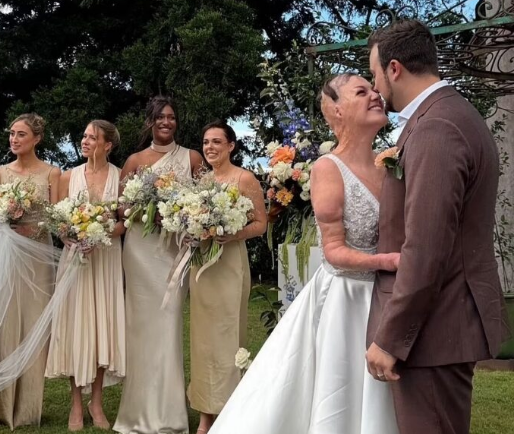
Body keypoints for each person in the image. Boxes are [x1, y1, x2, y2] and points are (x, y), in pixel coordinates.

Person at [208, 74, 400, 434]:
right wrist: (389, 262)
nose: (376, 95)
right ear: (337, 111)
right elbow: (335, 251)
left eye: (374, 89)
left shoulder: (388, 165)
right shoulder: (328, 168)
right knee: (339, 392)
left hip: (384, 297)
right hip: (345, 301)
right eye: (362, 92)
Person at [365, 19, 508, 434]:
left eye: (374, 74)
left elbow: (426, 248)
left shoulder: (436, 128)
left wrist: (392, 337)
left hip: (434, 329)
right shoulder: (449, 114)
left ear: (394, 69)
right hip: (443, 324)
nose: (375, 87)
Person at [114, 96, 203, 434]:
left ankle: (170, 414)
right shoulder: (135, 160)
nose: (167, 122)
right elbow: (120, 208)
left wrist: (180, 213)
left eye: (172, 117)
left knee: (168, 325)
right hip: (140, 251)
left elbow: (204, 200)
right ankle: (137, 411)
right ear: (150, 122)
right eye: (160, 117)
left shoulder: (192, 158)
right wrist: (144, 207)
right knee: (140, 328)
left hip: (173, 252)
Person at [0, 113, 61, 429]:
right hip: (6, 258)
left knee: (32, 326)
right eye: (12, 133)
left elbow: (56, 216)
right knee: (4, 326)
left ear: (37, 138)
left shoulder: (52, 173)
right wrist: (5, 220)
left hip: (38, 259)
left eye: (21, 134)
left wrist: (35, 227)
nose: (14, 139)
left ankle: (27, 410)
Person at [187, 120, 267, 434]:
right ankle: (205, 412)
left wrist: (234, 233)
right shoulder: (201, 181)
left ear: (231, 145)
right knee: (203, 340)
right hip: (202, 265)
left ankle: (229, 409)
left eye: (217, 141)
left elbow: (260, 224)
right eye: (206, 142)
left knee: (227, 335)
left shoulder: (244, 178)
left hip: (230, 264)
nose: (210, 147)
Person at [46, 120, 126, 431]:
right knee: (75, 324)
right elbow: (57, 219)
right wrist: (68, 236)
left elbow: (124, 222)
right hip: (75, 260)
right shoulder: (68, 177)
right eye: (84, 136)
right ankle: (76, 404)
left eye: (93, 137)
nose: (85, 141)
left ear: (108, 145)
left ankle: (97, 402)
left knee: (101, 325)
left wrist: (100, 235)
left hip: (105, 259)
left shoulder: (120, 177)